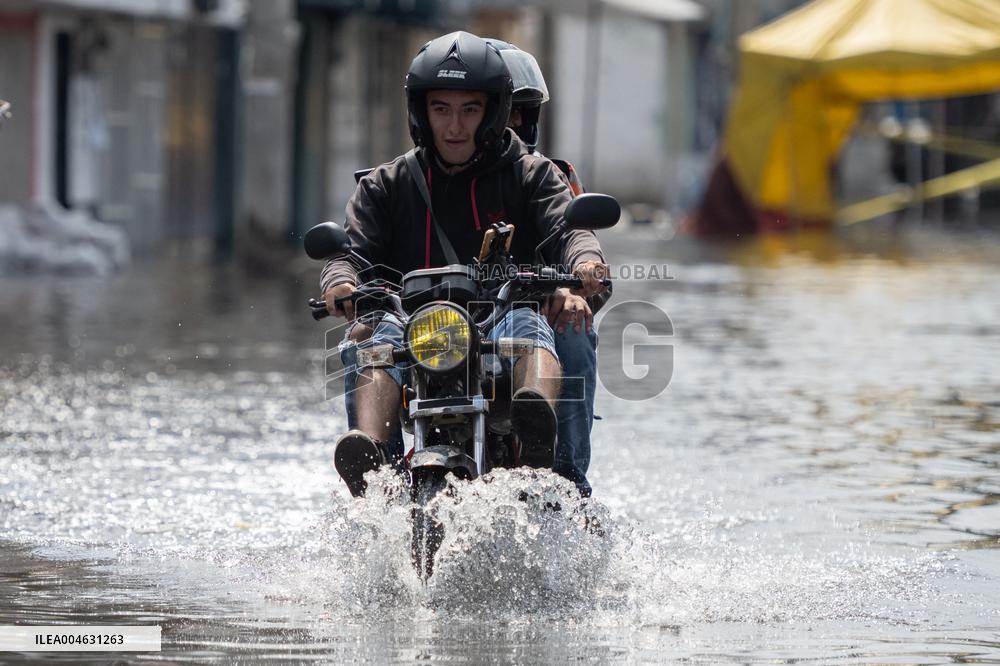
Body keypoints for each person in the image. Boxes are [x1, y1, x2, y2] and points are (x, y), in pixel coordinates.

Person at [322, 31, 609, 497]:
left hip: (510, 316)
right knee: (365, 338)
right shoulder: (385, 184)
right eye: (442, 109)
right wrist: (342, 283)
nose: (455, 126)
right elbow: (349, 253)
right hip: (414, 325)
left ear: (490, 113)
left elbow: (571, 231)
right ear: (421, 112)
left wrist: (585, 265)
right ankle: (374, 470)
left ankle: (563, 476)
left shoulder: (536, 174)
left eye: (470, 110)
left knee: (554, 327)